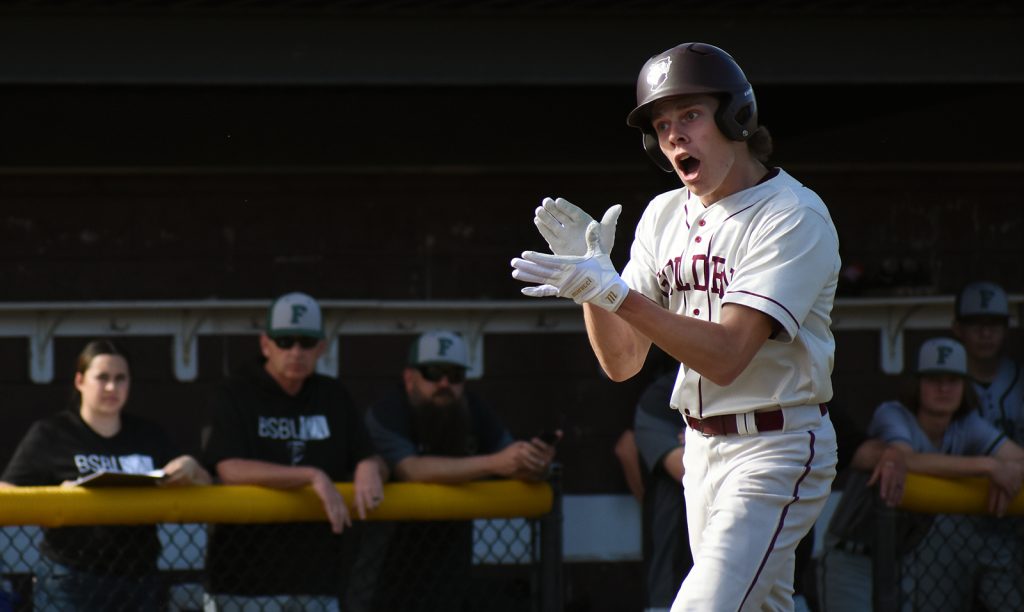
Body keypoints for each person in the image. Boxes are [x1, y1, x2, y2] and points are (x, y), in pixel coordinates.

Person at [511, 42, 839, 610]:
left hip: (775, 446)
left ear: (737, 116)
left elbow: (729, 353)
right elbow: (622, 362)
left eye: (690, 115)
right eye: (662, 125)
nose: (674, 136)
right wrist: (595, 290)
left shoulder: (793, 214)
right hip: (699, 449)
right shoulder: (664, 213)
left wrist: (617, 295)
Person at [201, 292, 388, 612]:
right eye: (285, 341)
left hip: (317, 579)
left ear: (322, 348)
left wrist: (370, 465)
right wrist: (310, 476)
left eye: (306, 342)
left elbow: (368, 455)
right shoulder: (236, 392)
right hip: (243, 581)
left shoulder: (333, 396)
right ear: (265, 345)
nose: (296, 352)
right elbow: (229, 468)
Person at [354, 329, 559, 611]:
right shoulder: (388, 410)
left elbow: (511, 461)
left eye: (455, 376)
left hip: (450, 560)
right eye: (433, 373)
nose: (444, 383)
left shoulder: (471, 408)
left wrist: (534, 462)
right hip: (386, 559)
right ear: (409, 377)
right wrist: (492, 462)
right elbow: (410, 470)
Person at [0, 339, 211, 611]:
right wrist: (55, 499)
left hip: (139, 578)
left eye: (120, 378)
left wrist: (189, 465)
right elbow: (5, 490)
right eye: (102, 377)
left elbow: (204, 480)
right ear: (80, 381)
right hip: (72, 577)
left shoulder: (147, 435)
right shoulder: (52, 433)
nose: (112, 387)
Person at [820, 337, 1024, 611]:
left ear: (965, 386)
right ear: (917, 384)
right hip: (852, 556)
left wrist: (1009, 470)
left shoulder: (967, 425)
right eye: (933, 378)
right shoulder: (893, 414)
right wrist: (989, 466)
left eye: (953, 379)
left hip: (903, 560)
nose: (944, 387)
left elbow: (1018, 458)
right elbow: (904, 458)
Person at [631, 371, 690, 612]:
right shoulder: (660, 396)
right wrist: (708, 440)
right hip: (673, 588)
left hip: (776, 581)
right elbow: (687, 470)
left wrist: (699, 441)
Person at [952, 281, 1022, 443]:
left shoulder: (1020, 378)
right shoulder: (942, 386)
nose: (985, 334)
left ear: (1006, 329)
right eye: (975, 324)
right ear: (957, 328)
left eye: (994, 324)